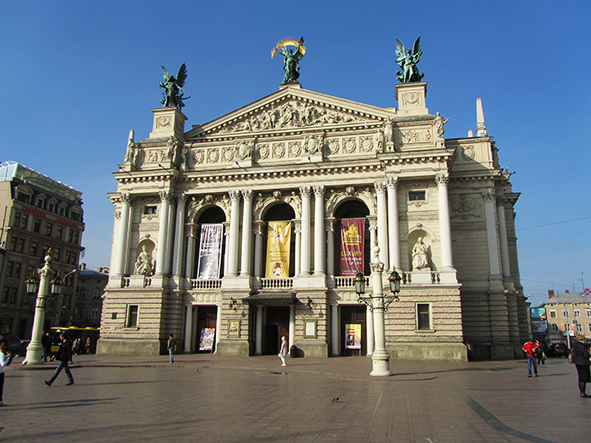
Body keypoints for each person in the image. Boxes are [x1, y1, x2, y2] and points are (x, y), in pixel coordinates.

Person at [1, 339, 13, 406]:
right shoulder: (1, 354)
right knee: (0, 388)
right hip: (0, 372)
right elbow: (3, 364)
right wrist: (8, 358)